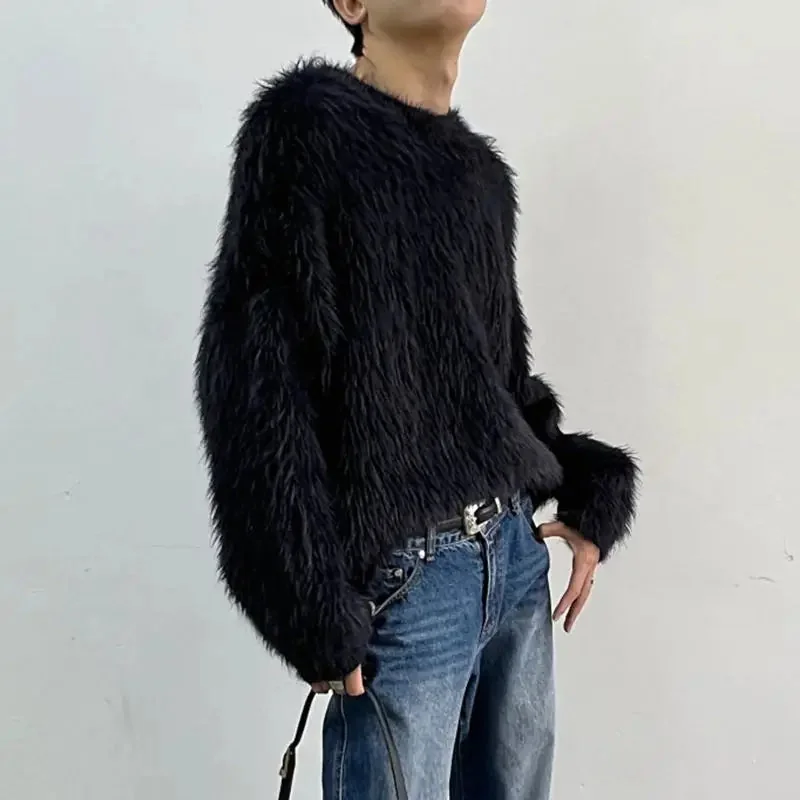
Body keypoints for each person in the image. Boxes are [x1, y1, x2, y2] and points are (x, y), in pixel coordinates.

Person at [195, 1, 639, 797]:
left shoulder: (480, 178)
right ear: (352, 4)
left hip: (513, 563)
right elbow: (256, 388)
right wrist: (307, 604)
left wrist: (590, 488)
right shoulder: (305, 131)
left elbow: (500, 386)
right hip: (408, 588)